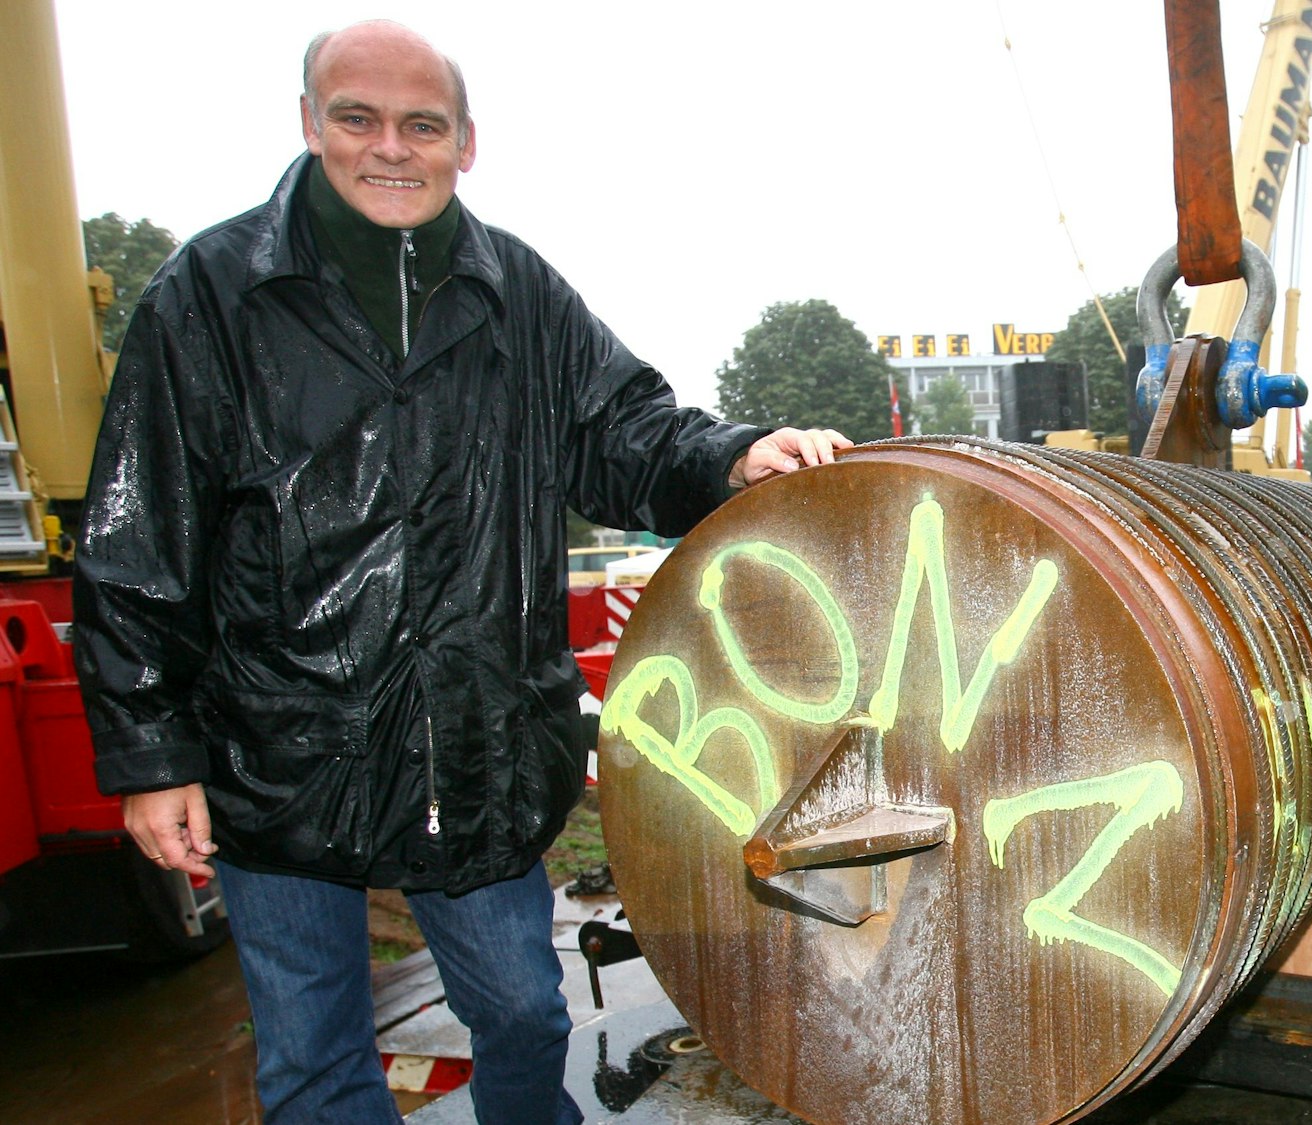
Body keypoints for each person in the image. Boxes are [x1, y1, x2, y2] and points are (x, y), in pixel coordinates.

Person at [71, 21, 848, 1124]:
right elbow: (137, 535)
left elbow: (620, 430)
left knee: (526, 1015)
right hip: (278, 749)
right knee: (311, 1056)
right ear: (309, 124)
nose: (391, 147)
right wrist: (153, 756)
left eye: (421, 125)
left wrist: (728, 454)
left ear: (464, 143)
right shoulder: (209, 296)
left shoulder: (517, 295)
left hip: (472, 747)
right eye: (358, 118)